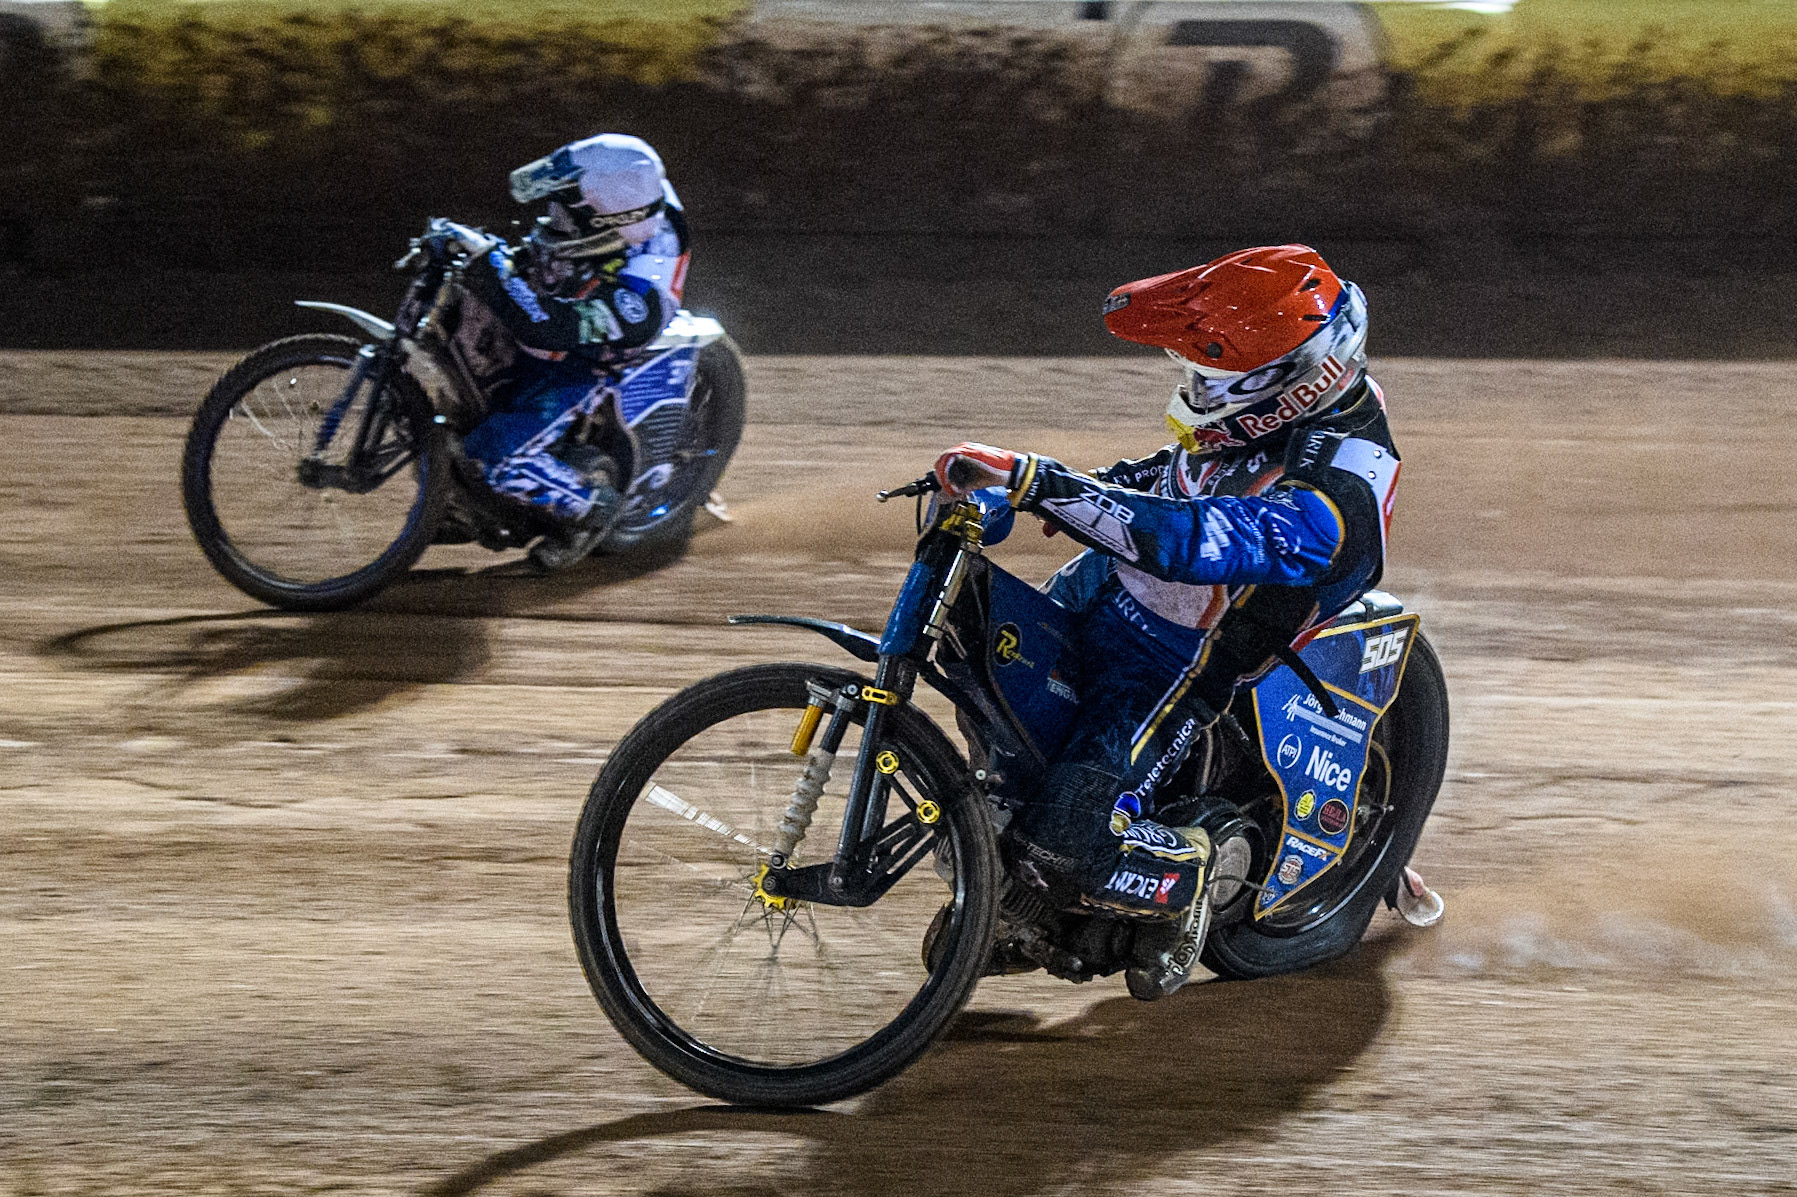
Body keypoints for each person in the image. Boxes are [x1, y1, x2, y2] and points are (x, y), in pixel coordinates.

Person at [931, 244, 1399, 998]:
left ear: (1285, 383)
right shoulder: (1267, 416)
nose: (1195, 387)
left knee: (1061, 842)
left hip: (1184, 650)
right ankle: (1023, 899)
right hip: (1114, 585)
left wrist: (1049, 485)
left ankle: (1185, 869)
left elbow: (1193, 541)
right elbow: (1177, 476)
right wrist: (1044, 491)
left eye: (1213, 377)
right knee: (991, 691)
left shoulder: (1339, 486)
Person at [420, 133, 689, 559]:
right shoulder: (630, 193)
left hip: (589, 360)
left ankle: (591, 508)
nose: (551, 216)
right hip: (579, 296)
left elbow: (549, 330)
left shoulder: (640, 299)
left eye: (564, 213)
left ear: (600, 224)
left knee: (491, 457)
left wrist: (493, 270)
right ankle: (462, 500)